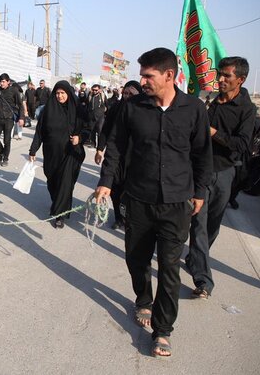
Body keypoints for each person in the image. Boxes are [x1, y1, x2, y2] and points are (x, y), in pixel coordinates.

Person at [95, 48, 212, 358]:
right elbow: (116, 146)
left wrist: (200, 192)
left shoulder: (194, 109)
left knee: (170, 267)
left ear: (169, 76)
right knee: (136, 259)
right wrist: (106, 182)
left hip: (177, 203)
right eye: (142, 75)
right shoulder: (131, 108)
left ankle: (163, 330)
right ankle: (143, 299)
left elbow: (202, 155)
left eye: (149, 75)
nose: (143, 81)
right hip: (138, 199)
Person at [186, 56, 256, 299]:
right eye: (220, 74)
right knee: (199, 224)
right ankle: (203, 281)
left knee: (212, 226)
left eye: (227, 76)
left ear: (241, 79)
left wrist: (213, 132)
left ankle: (195, 257)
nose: (221, 79)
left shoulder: (247, 110)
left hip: (224, 172)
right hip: (200, 172)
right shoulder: (208, 101)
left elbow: (242, 145)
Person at [29, 81, 85, 228]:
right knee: (53, 182)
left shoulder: (77, 109)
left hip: (70, 154)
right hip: (51, 153)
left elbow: (88, 129)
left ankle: (59, 214)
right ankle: (58, 203)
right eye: (57, 93)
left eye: (63, 93)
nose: (60, 96)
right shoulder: (48, 110)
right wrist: (33, 150)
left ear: (68, 93)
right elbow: (39, 132)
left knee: (65, 183)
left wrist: (80, 138)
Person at [94, 80, 142, 230]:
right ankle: (119, 218)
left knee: (130, 193)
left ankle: (129, 218)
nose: (127, 96)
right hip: (116, 157)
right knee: (114, 190)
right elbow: (106, 130)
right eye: (125, 93)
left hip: (134, 159)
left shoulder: (144, 111)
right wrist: (100, 149)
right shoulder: (116, 108)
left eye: (131, 94)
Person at [0, 73, 24, 167]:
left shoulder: (14, 90)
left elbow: (20, 105)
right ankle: (2, 152)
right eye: (0, 82)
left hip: (9, 119)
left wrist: (21, 118)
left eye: (3, 81)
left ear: (8, 82)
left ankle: (5, 158)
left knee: (7, 140)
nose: (1, 84)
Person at [88, 84, 107, 148]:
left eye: (96, 90)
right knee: (92, 130)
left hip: (100, 117)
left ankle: (100, 145)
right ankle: (93, 143)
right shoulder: (90, 96)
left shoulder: (102, 96)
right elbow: (87, 104)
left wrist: (105, 110)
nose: (94, 91)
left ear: (99, 90)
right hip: (92, 117)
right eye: (93, 90)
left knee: (99, 131)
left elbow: (107, 104)